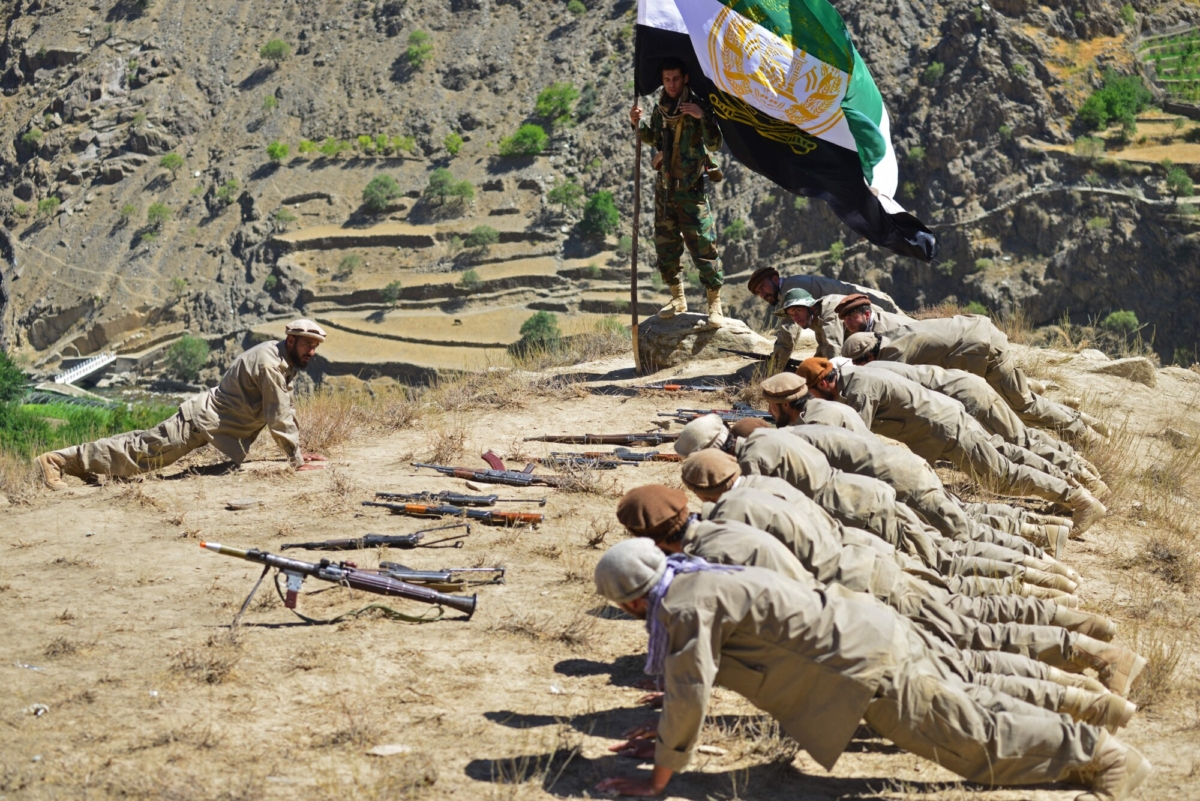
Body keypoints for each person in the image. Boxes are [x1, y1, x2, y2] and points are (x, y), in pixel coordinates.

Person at [592, 538, 1151, 799]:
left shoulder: (685, 606)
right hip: (869, 634)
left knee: (969, 740)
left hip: (863, 667)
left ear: (632, 601)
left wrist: (661, 779)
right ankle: (1086, 744)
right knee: (971, 710)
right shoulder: (697, 575)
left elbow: (689, 692)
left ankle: (1103, 760)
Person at [619, 483, 1140, 704]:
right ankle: (1081, 633)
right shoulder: (747, 499)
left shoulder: (721, 540)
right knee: (965, 621)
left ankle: (1093, 657)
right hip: (864, 561)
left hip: (860, 589)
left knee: (963, 644)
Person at [673, 413, 1076, 598]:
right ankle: (1039, 566)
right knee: (950, 546)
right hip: (866, 496)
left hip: (858, 510)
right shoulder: (765, 440)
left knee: (945, 564)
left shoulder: (754, 463)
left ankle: (1036, 581)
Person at [759, 372, 1071, 557]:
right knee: (963, 512)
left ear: (785, 404)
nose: (771, 412)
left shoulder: (812, 424)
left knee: (962, 534)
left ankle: (1035, 558)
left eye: (771, 407)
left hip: (899, 482)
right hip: (905, 466)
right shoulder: (825, 409)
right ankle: (1045, 530)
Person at [798, 356, 1107, 536]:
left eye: (813, 394)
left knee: (1001, 476)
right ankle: (1074, 483)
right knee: (1007, 454)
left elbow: (857, 440)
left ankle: (1080, 501)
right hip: (945, 420)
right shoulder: (854, 378)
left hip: (944, 430)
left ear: (824, 383)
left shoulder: (858, 390)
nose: (816, 400)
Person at [35, 320, 329, 489]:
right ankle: (56, 460)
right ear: (291, 341)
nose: (312, 352)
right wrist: (296, 460)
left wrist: (299, 452)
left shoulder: (280, 358)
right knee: (144, 453)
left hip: (210, 423)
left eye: (314, 347)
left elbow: (284, 410)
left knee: (144, 448)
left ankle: (77, 462)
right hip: (200, 421)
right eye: (307, 345)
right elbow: (277, 415)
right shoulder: (271, 364)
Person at [843, 331, 1105, 489]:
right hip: (969, 387)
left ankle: (1080, 477)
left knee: (1011, 446)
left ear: (862, 358)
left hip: (968, 399)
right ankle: (1078, 467)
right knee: (1020, 439)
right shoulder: (888, 358)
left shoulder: (872, 372)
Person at [844, 314, 1109, 441]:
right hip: (980, 336)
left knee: (1022, 407)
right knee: (1019, 401)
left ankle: (1088, 436)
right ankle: (1083, 419)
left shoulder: (895, 358)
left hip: (985, 351)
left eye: (860, 363)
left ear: (868, 356)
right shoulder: (891, 336)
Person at [630, 58, 724, 323]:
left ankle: (714, 303)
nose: (671, 85)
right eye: (666, 79)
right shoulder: (660, 110)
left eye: (675, 79)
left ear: (685, 79)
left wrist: (701, 116)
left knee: (704, 247)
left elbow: (715, 143)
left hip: (691, 191)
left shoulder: (698, 106)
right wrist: (638, 124)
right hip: (665, 190)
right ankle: (677, 297)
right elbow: (653, 139)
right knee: (666, 247)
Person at [745, 266, 905, 370]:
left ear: (774, 280)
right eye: (758, 292)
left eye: (763, 287)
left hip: (874, 305)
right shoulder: (790, 290)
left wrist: (775, 367)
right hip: (864, 308)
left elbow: (788, 333)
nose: (763, 294)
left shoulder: (791, 290)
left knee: (905, 339)